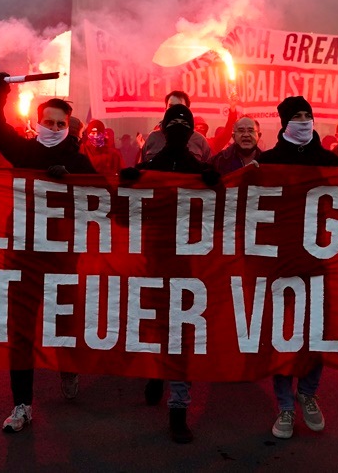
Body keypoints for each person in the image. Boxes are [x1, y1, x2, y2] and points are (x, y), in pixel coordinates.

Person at [0, 72, 96, 433]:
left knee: (64, 319)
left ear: (68, 127)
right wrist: (1, 89)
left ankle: (68, 365)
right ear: (37, 123)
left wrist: (74, 181)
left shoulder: (78, 161)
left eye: (60, 123)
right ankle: (21, 404)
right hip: (23, 252)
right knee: (21, 328)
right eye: (48, 121)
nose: (53, 127)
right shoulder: (24, 151)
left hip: (62, 253)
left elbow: (105, 197)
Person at [121, 104, 220, 443]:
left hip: (187, 268)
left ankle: (178, 408)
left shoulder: (200, 171)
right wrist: (127, 184)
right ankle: (155, 373)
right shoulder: (149, 168)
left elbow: (221, 217)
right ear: (162, 130)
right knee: (153, 326)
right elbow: (123, 218)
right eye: (173, 124)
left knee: (181, 337)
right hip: (153, 263)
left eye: (185, 124)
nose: (179, 129)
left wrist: (215, 185)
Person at [257, 96, 338, 440]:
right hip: (281, 262)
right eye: (297, 116)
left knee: (316, 331)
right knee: (284, 333)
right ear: (284, 122)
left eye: (308, 115)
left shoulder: (329, 160)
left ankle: (308, 392)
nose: (304, 120)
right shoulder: (268, 161)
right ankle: (285, 406)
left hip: (320, 260)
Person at [141, 91, 213, 163]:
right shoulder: (153, 138)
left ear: (187, 110)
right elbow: (142, 169)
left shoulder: (200, 141)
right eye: (171, 106)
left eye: (179, 107)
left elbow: (208, 169)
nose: (174, 110)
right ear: (165, 109)